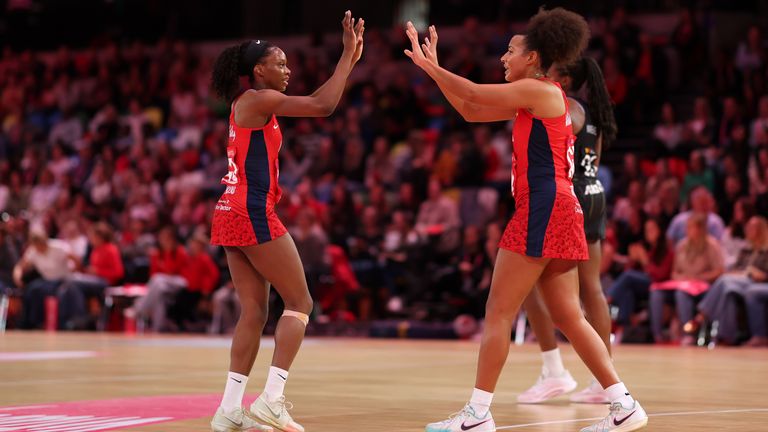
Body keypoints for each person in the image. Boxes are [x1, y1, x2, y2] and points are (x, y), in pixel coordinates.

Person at [403, 8, 647, 432]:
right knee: (570, 316)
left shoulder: (540, 91)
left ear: (533, 58)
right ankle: (623, 404)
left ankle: (477, 415)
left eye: (511, 51)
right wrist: (435, 72)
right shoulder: (533, 96)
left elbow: (476, 93)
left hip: (544, 205)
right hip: (558, 207)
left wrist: (431, 66)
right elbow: (470, 111)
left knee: (499, 311)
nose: (503, 57)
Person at [208, 10, 364, 432]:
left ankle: (229, 409)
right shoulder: (259, 99)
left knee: (254, 312)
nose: (287, 68)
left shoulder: (249, 104)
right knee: (300, 303)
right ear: (258, 70)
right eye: (280, 63)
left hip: (228, 211)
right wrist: (347, 57)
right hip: (252, 210)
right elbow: (323, 104)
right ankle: (272, 401)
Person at [517, 56, 619, 405]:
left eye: (552, 69)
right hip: (595, 195)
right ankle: (603, 380)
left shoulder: (565, 106)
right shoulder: (596, 115)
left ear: (563, 76)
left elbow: (561, 152)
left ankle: (554, 369)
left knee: (527, 283)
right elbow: (596, 161)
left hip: (567, 196)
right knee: (592, 289)